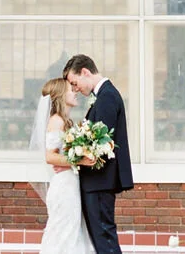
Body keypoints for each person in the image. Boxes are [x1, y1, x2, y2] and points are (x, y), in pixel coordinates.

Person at [62, 54, 133, 254]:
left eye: (75, 83)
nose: (75, 89)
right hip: (98, 182)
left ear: (85, 72)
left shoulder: (107, 96)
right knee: (101, 240)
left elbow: (102, 144)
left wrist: (74, 156)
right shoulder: (103, 96)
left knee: (105, 241)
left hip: (100, 182)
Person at [34, 77, 95, 254]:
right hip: (64, 187)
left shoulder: (66, 121)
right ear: (61, 95)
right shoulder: (56, 120)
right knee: (62, 234)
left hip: (71, 184)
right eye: (70, 89)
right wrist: (80, 160)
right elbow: (50, 156)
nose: (75, 91)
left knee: (72, 234)